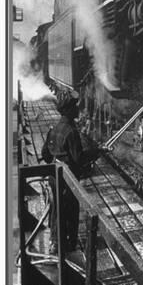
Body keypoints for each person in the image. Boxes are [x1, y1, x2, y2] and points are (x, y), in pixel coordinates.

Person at [41, 90, 105, 254]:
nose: (78, 109)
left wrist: (57, 158)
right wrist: (98, 151)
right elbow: (79, 159)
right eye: (75, 107)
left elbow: (45, 156)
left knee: (57, 209)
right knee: (70, 211)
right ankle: (68, 247)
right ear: (68, 111)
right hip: (68, 181)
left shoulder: (53, 129)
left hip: (54, 178)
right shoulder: (71, 132)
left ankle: (55, 242)